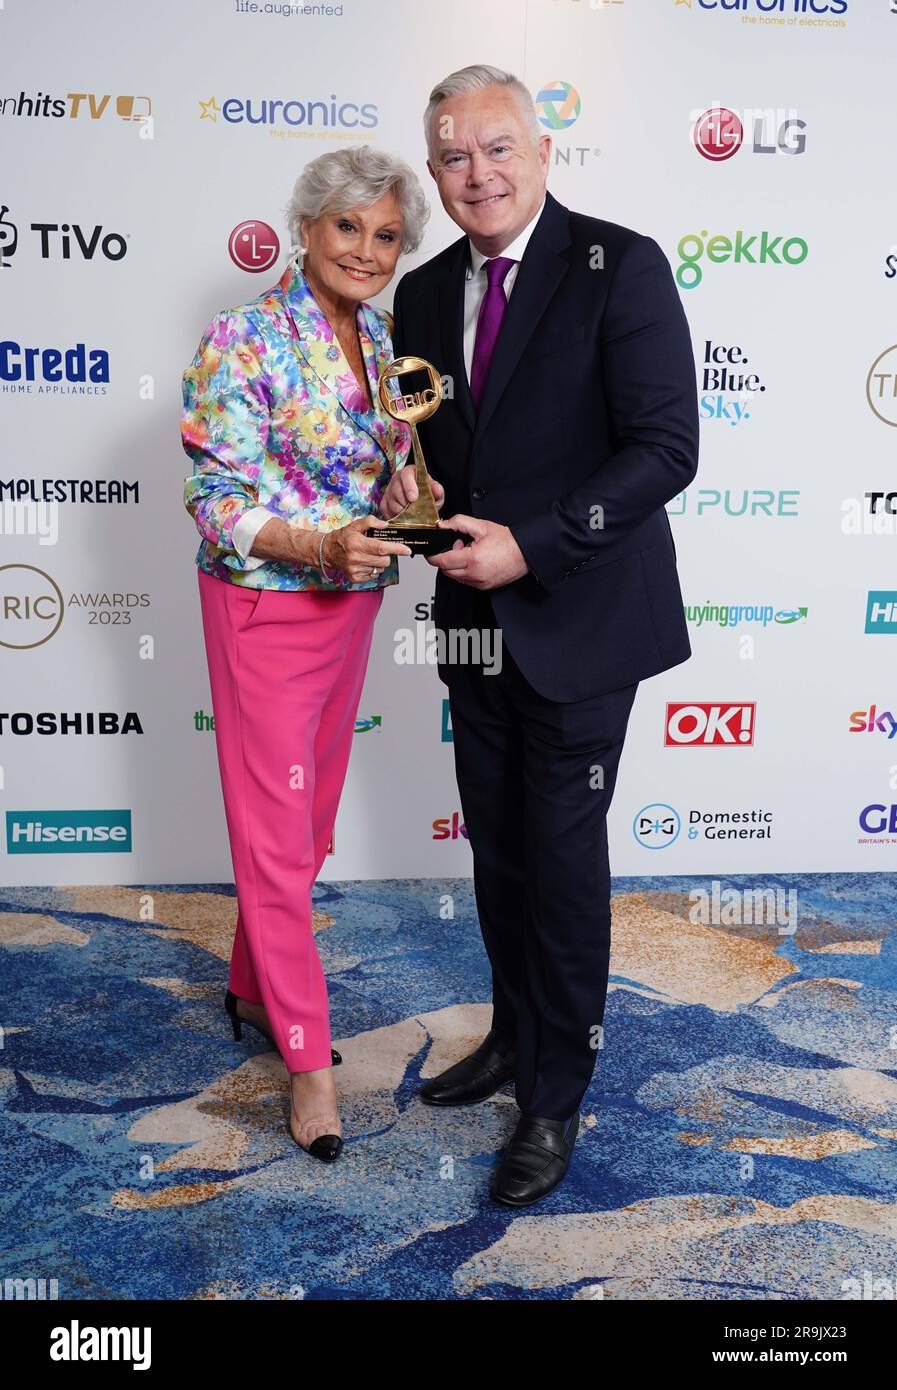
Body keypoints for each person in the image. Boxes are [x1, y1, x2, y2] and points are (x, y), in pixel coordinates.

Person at [382, 65, 699, 1205]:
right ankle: (515, 1036)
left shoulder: (622, 263)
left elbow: (666, 450)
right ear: (435, 171)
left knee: (561, 860)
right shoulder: (420, 294)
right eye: (455, 155)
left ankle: (555, 1097)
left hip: (583, 619)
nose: (480, 172)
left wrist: (536, 543)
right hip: (469, 624)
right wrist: (402, 516)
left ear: (544, 149)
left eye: (499, 147)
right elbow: (433, 461)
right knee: (498, 845)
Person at [182, 146, 427, 1162]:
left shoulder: (383, 339)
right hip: (265, 605)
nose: (367, 250)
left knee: (307, 825)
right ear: (306, 228)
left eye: (386, 234)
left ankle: (248, 986)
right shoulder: (242, 338)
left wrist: (410, 496)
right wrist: (315, 543)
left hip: (353, 602)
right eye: (348, 228)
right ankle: (309, 1061)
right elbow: (217, 500)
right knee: (279, 840)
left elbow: (393, 465)